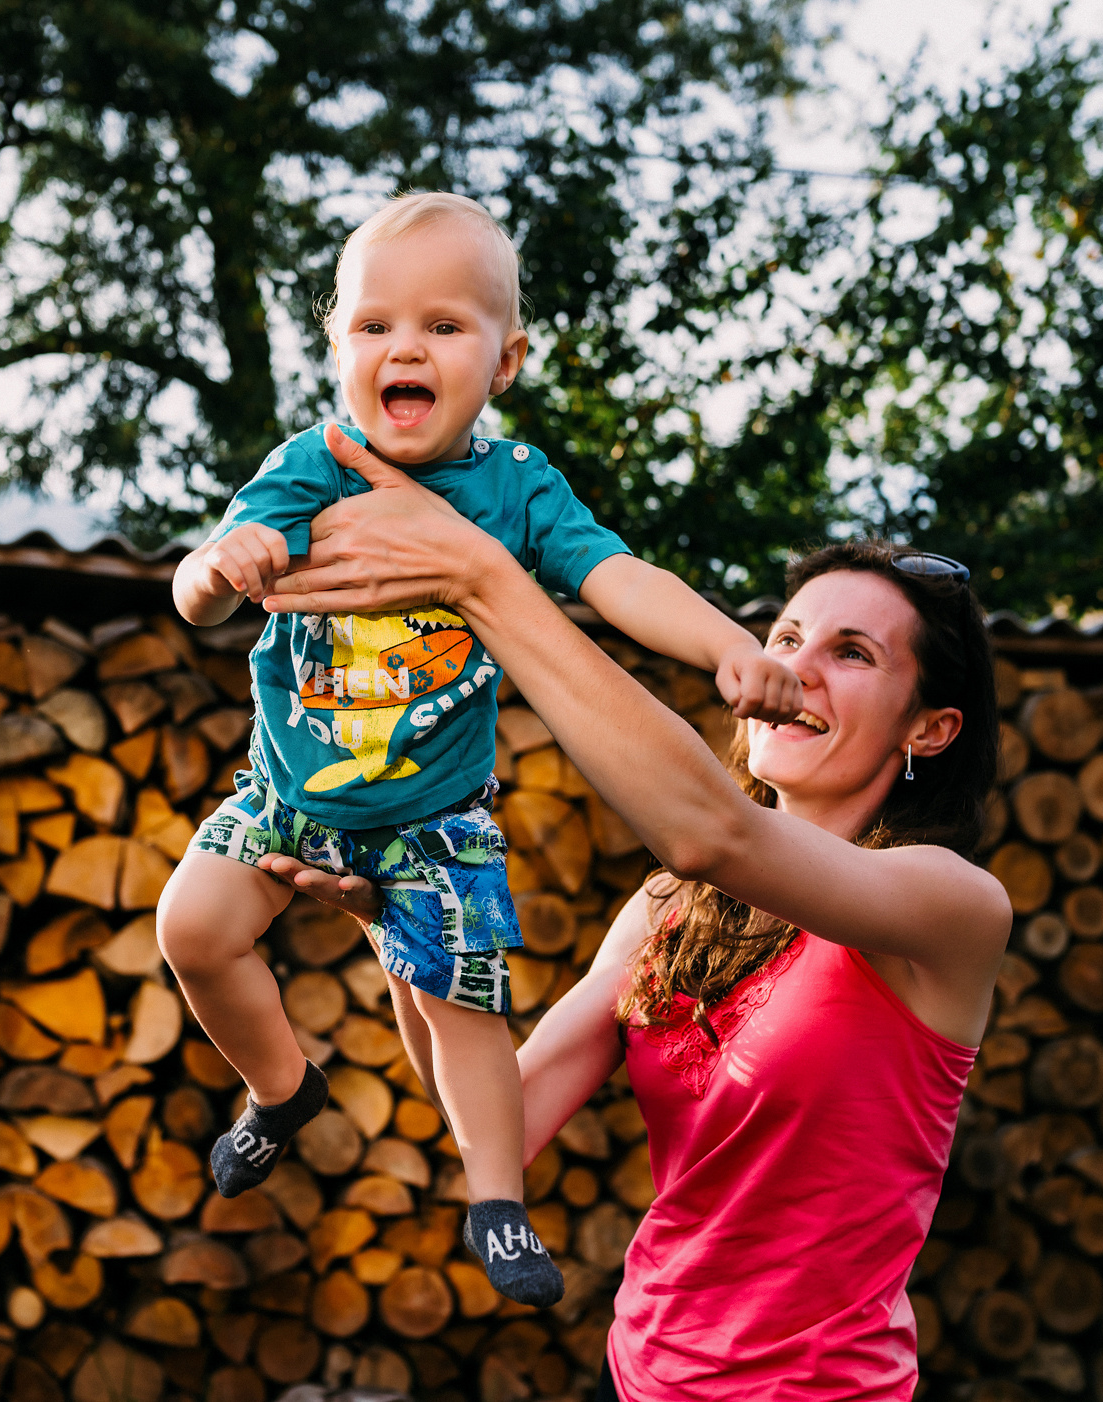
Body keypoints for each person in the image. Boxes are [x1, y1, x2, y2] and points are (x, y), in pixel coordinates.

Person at [252, 429, 1011, 1399]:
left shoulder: (946, 904)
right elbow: (499, 1119)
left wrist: (486, 580)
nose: (800, 666)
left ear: (930, 728)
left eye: (852, 652)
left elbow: (713, 832)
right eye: (785, 637)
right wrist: (400, 923)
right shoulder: (668, 909)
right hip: (638, 1374)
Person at [157, 192, 803, 1306]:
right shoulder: (313, 466)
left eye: (444, 327)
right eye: (374, 327)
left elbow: (619, 578)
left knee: (467, 1003)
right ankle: (280, 1089)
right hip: (288, 791)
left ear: (504, 363)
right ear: (338, 349)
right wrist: (224, 565)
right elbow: (192, 595)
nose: (405, 347)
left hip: (431, 814)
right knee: (192, 927)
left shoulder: (517, 490)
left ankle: (497, 1199)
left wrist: (727, 648)